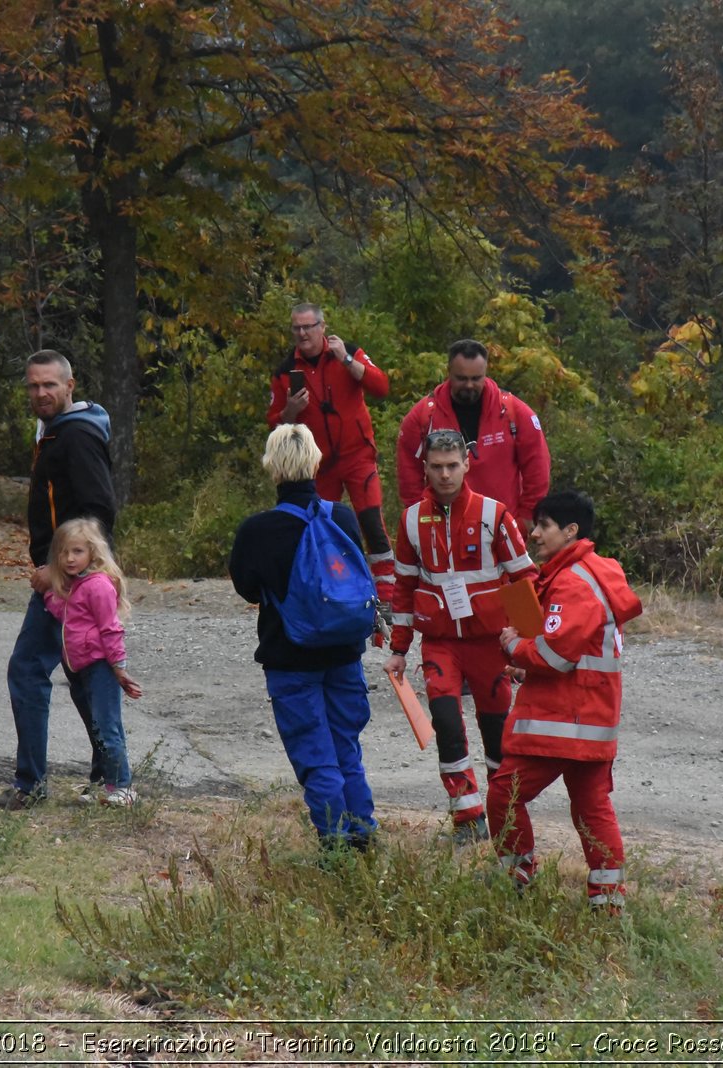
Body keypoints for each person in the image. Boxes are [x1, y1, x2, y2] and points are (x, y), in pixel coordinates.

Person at [487, 490, 642, 909]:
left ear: (570, 531)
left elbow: (555, 655)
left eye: (544, 525)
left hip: (564, 721)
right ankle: (608, 902)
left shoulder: (574, 583)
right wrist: (527, 660)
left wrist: (516, 648)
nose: (534, 534)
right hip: (589, 720)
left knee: (505, 793)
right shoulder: (590, 575)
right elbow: (569, 650)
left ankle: (515, 878)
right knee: (592, 808)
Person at [0, 349, 116, 810]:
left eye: (49, 385)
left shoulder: (75, 437)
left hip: (71, 582)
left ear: (70, 386)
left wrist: (64, 571)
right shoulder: (57, 432)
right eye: (33, 386)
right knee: (81, 675)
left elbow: (99, 510)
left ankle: (30, 785)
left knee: (28, 669)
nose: (40, 393)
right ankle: (108, 777)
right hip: (69, 577)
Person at [230, 423, 377, 852]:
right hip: (345, 653)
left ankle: (335, 844)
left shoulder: (257, 531)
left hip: (290, 656)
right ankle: (363, 833)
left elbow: (247, 589)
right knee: (345, 746)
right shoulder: (343, 517)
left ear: (271, 468)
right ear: (316, 462)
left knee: (315, 754)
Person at [383, 428, 536, 843]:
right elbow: (404, 588)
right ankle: (467, 819)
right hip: (440, 643)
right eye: (437, 467)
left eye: (453, 466)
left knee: (496, 731)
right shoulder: (411, 520)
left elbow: (525, 579)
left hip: (490, 642)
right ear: (426, 468)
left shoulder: (494, 514)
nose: (446, 475)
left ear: (468, 463)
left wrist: (530, 648)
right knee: (447, 724)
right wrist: (399, 649)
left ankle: (504, 812)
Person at [265, 302, 396, 609]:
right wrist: (290, 412)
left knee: (371, 523)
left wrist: (348, 360)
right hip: (317, 465)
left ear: (322, 327)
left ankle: (388, 599)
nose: (302, 333)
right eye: (296, 328)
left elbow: (381, 386)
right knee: (321, 527)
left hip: (357, 456)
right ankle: (331, 592)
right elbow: (274, 422)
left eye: (308, 327)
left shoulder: (347, 352)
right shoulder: (285, 372)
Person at [395, 339, 551, 531]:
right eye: (461, 378)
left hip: (502, 528)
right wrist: (420, 519)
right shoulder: (423, 417)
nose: (469, 385)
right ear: (449, 373)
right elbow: (409, 473)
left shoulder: (514, 413)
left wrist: (527, 517)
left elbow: (537, 466)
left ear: (486, 373)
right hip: (445, 528)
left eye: (476, 378)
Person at [42, 518, 143, 806]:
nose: (69, 558)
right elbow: (61, 610)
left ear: (92, 553)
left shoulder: (97, 586)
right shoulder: (73, 586)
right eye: (63, 553)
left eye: (76, 551)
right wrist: (47, 591)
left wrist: (119, 667)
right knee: (97, 727)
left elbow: (110, 628)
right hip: (80, 669)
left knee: (107, 727)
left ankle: (122, 787)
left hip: (100, 667)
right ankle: (104, 784)